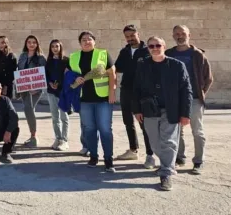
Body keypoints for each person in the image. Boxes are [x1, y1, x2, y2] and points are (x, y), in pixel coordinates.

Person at [133, 36, 192, 191]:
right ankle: (166, 163)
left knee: (169, 141)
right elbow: (136, 89)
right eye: (151, 46)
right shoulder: (142, 65)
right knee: (154, 142)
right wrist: (137, 110)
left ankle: (166, 172)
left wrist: (186, 114)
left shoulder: (177, 65)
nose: (155, 48)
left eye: (158, 45)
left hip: (171, 109)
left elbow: (187, 90)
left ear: (164, 46)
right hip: (149, 110)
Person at [166, 25, 213, 174]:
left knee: (197, 131)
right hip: (174, 99)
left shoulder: (198, 54)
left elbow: (209, 78)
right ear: (173, 36)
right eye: (177, 34)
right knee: (176, 130)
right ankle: (179, 158)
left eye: (183, 33)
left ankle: (199, 161)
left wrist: (201, 93)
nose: (180, 36)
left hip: (194, 99)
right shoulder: (168, 53)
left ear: (189, 35)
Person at [68, 31, 117, 172]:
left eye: (89, 39)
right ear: (80, 43)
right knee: (89, 129)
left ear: (94, 42)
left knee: (105, 129)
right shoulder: (74, 57)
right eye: (83, 39)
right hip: (84, 99)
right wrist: (74, 79)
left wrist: (112, 92)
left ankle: (108, 159)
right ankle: (93, 156)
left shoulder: (103, 54)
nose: (87, 41)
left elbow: (112, 73)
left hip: (103, 98)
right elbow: (69, 74)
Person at [114, 25, 155, 168]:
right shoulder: (124, 51)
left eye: (132, 35)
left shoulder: (147, 50)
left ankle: (150, 155)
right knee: (128, 122)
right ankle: (133, 149)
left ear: (138, 34)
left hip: (143, 92)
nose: (130, 39)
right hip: (126, 90)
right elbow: (117, 67)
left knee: (144, 124)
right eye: (127, 37)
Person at [17, 35, 47, 147]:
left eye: (34, 42)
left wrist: (36, 88)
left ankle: (34, 136)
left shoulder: (41, 58)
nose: (31, 44)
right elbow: (19, 70)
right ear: (26, 44)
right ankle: (32, 136)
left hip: (35, 89)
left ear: (37, 44)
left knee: (28, 108)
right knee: (28, 110)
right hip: (24, 88)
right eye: (29, 42)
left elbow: (43, 74)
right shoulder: (22, 56)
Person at [44, 39, 69, 151]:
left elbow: (67, 75)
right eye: (53, 46)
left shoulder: (66, 60)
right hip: (51, 91)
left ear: (60, 47)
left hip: (63, 92)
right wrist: (50, 83)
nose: (55, 48)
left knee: (64, 117)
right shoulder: (48, 61)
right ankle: (58, 138)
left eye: (57, 46)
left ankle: (64, 140)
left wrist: (58, 83)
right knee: (55, 117)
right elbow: (46, 75)